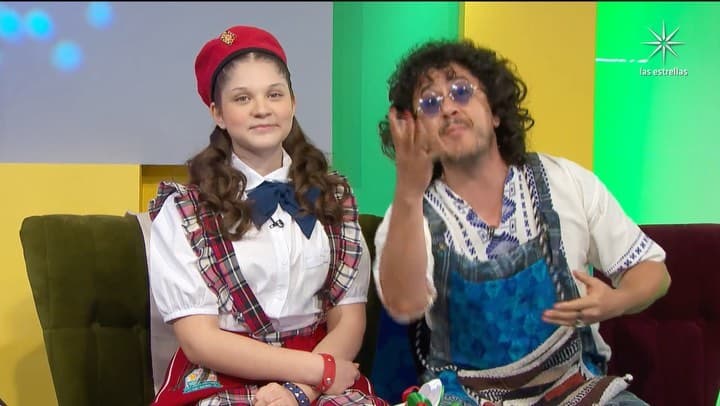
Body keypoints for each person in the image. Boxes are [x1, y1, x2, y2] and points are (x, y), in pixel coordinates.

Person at [372, 38, 671, 405]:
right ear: (417, 133)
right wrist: (408, 191)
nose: (448, 107)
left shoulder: (566, 181)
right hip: (467, 396)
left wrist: (617, 300)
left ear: (496, 111)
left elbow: (654, 272)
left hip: (576, 389)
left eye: (461, 91)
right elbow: (404, 304)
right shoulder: (409, 213)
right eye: (430, 103)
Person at [147, 25, 388, 406]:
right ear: (218, 113)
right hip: (224, 374)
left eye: (274, 94)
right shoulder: (185, 211)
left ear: (292, 102)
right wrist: (316, 370)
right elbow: (200, 341)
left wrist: (301, 390)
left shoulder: (333, 198)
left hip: (319, 374)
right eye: (242, 98)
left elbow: (349, 319)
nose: (262, 109)